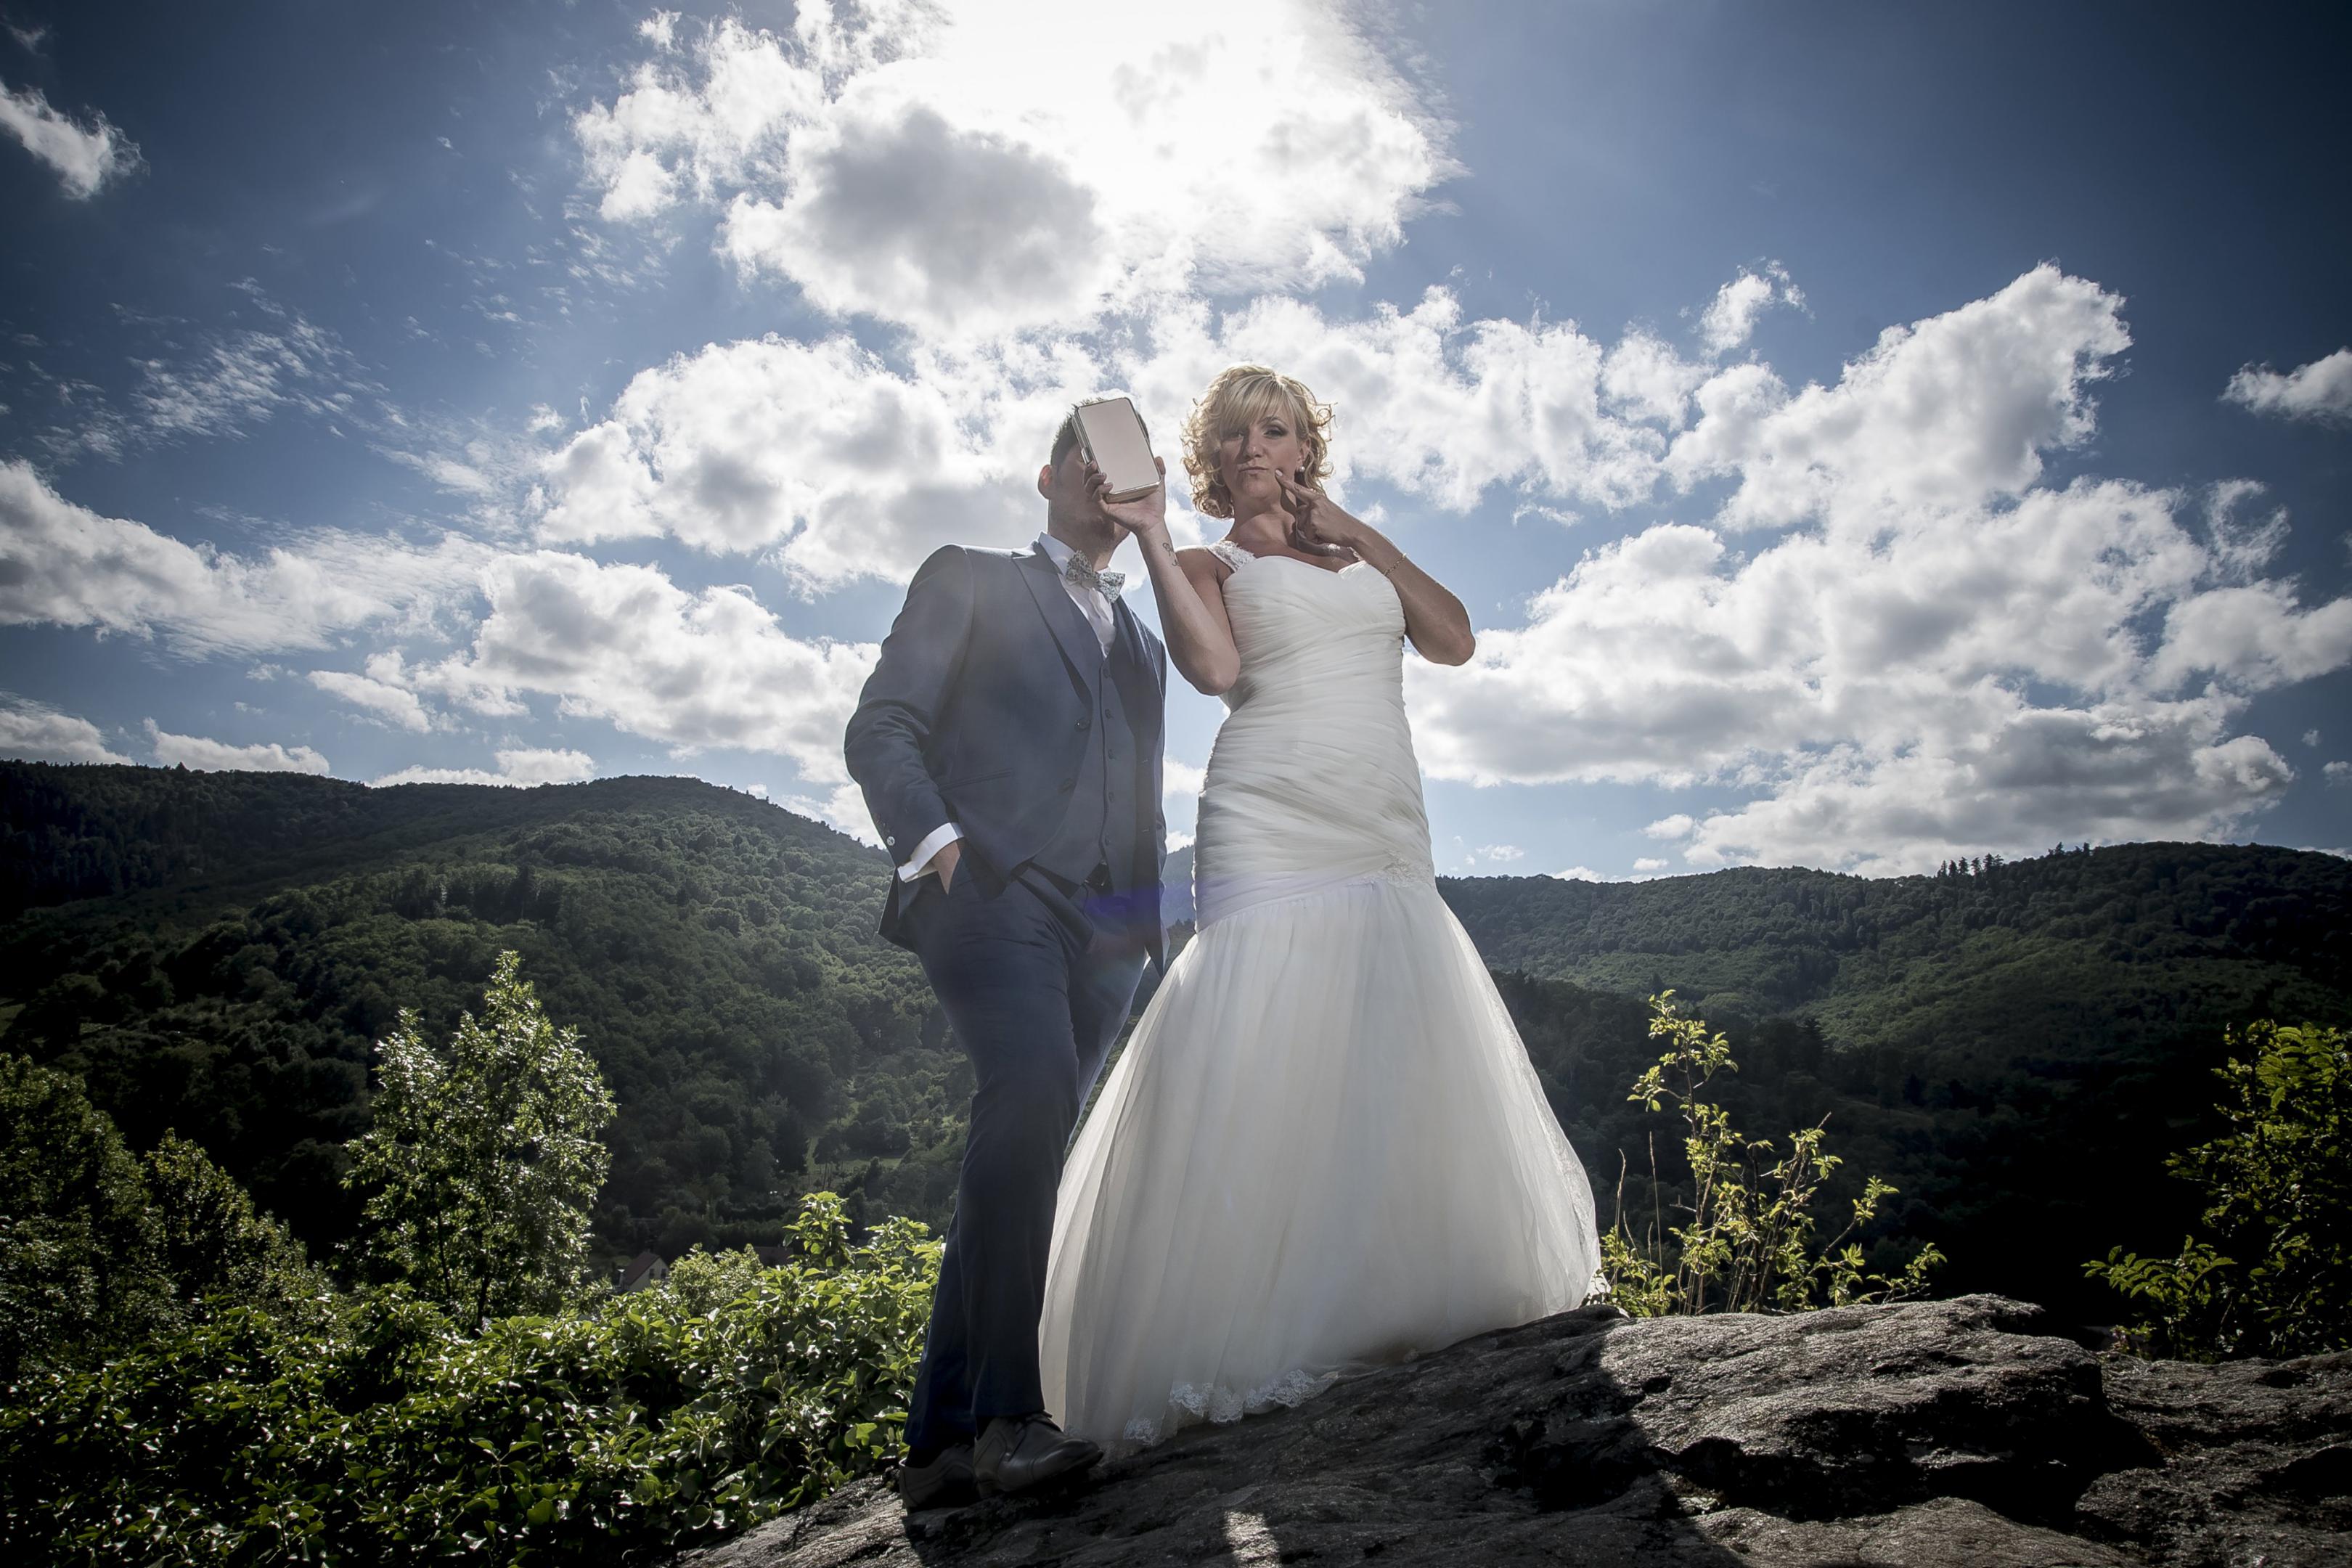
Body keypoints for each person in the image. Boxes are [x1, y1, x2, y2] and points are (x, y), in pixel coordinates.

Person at [1036, 364, 1601, 1453]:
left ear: (1306, 448)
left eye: (1279, 430)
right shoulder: (1207, 561)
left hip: (1381, 813)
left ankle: (1389, 1295)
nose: (1259, 447)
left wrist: (1358, 533)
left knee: (1390, 1037)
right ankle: (1248, 1330)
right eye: (1238, 434)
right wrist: (1153, 537)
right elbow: (1213, 671)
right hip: (1270, 811)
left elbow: (1454, 639)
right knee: (1262, 1039)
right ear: (1213, 457)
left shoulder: (1355, 551)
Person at [844, 403, 1210, 1505]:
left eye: (1125, 464)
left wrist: (1153, 921)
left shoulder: (1146, 642)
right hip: (990, 892)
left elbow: (1136, 781)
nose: (1104, 477)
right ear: (1047, 477)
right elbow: (880, 723)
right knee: (1035, 1088)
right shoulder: (968, 577)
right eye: (1086, 459)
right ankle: (1008, 1420)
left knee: (1027, 1140)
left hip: (1112, 930)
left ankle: (938, 1446)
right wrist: (939, 844)